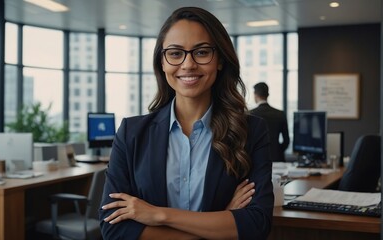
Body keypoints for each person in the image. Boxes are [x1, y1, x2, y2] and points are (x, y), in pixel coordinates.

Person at [99, 7, 273, 240]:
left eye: (201, 53)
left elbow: (256, 224)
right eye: (175, 53)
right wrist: (221, 222)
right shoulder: (132, 133)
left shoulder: (251, 131)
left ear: (219, 60)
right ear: (162, 62)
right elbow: (114, 228)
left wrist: (160, 215)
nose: (188, 64)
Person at [250, 82, 290, 162]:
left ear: (255, 94)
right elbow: (286, 141)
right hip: (277, 158)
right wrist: (277, 151)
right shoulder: (280, 114)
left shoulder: (250, 114)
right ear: (268, 95)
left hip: (257, 160)